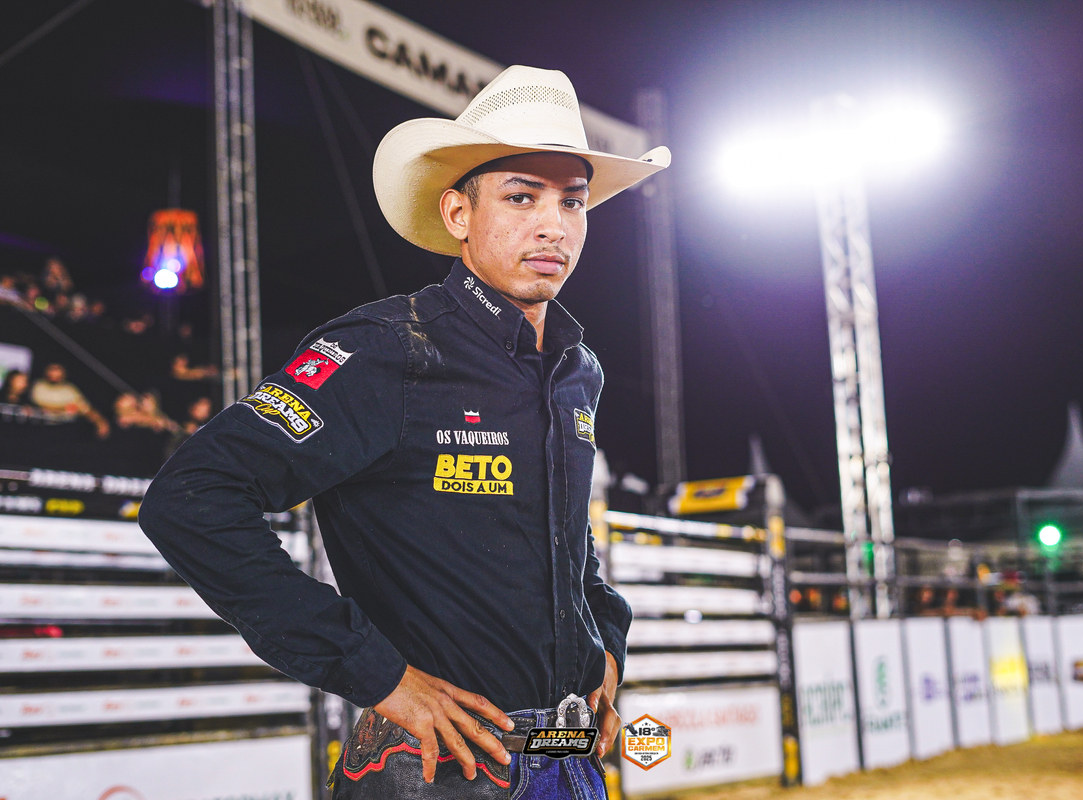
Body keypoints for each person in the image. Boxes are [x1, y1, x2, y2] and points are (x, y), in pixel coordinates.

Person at [139, 65, 669, 799]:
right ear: (457, 213)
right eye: (521, 197)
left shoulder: (577, 369)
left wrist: (604, 641)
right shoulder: (386, 349)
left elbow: (567, 539)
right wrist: (379, 675)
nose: (553, 225)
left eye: (572, 202)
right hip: (434, 771)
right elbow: (191, 498)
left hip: (571, 756)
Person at [30, 363, 109, 438]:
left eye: (57, 369)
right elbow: (41, 405)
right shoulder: (38, 385)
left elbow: (85, 409)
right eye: (52, 369)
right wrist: (65, 408)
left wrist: (100, 422)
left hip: (65, 428)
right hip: (42, 427)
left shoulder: (69, 389)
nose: (54, 373)